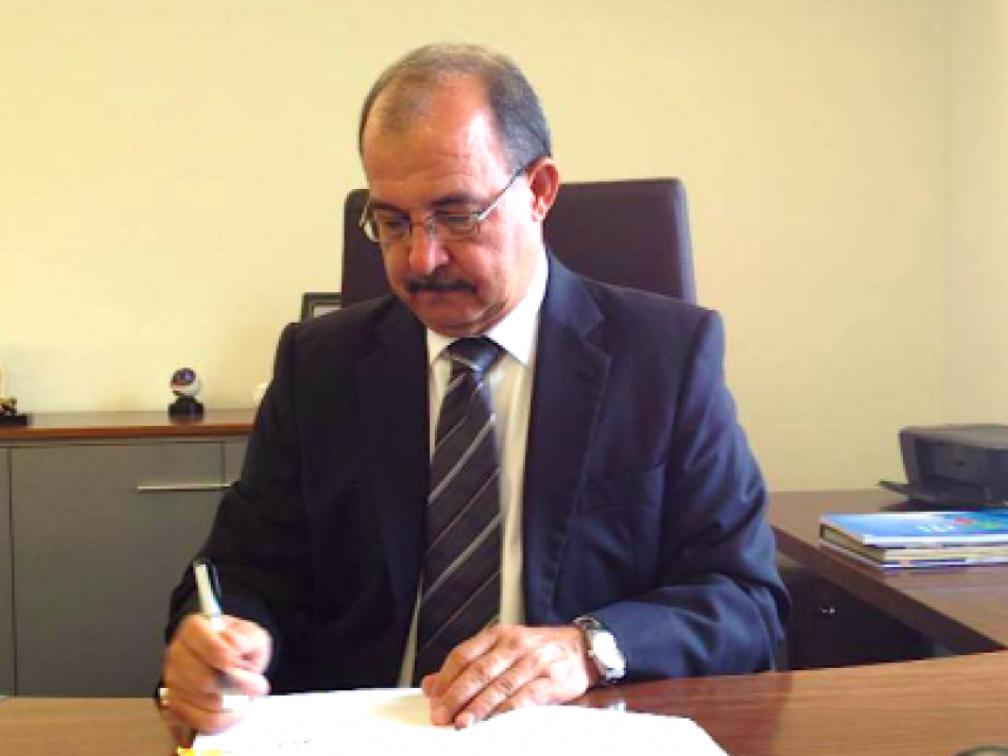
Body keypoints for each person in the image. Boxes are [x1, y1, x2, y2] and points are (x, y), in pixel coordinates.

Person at [160, 43, 788, 735]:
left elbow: (746, 602)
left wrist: (588, 648)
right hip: (362, 736)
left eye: (457, 215)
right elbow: (239, 572)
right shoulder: (319, 366)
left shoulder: (665, 358)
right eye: (392, 223)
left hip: (572, 732)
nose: (420, 258)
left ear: (540, 190)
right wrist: (217, 639)